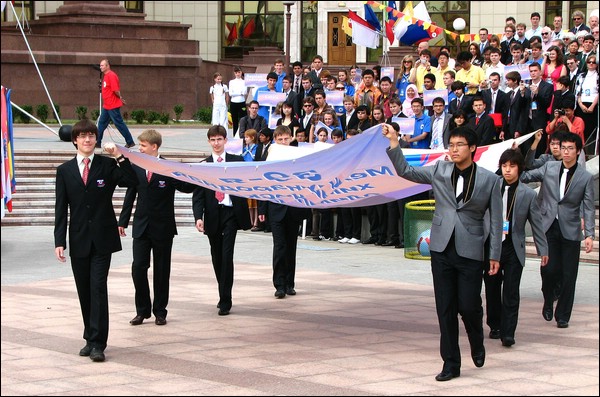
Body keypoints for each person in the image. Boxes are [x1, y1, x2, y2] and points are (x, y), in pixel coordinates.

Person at [384, 124, 502, 381]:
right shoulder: (439, 169)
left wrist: (494, 254)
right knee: (445, 307)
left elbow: (495, 220)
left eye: (460, 145)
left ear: (472, 148)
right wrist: (394, 142)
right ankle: (451, 363)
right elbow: (406, 171)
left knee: (469, 306)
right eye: (451, 145)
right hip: (440, 248)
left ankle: (476, 340)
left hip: (471, 250)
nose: (454, 149)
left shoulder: (490, 180)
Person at [54, 119, 137, 362]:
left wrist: (120, 156)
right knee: (84, 290)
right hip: (78, 239)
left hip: (103, 238)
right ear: (75, 140)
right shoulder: (65, 171)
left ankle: (99, 342)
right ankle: (89, 337)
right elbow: (61, 210)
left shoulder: (106, 165)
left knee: (98, 287)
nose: (88, 140)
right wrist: (60, 241)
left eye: (92, 135)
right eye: (83, 136)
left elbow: (131, 181)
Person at [118, 129, 195, 326]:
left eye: (143, 146)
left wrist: (199, 176)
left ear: (154, 147)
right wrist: (123, 221)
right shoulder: (136, 165)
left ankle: (160, 311)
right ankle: (142, 311)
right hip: (141, 227)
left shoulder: (167, 167)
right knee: (138, 268)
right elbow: (131, 193)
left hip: (163, 227)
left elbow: (186, 187)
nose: (140, 149)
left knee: (162, 271)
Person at [520, 132, 595, 329]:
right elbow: (527, 175)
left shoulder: (585, 177)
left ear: (578, 152)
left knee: (569, 274)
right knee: (549, 269)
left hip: (570, 228)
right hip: (548, 225)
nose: (567, 152)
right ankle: (548, 299)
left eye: (571, 149)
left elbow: (588, 206)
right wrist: (512, 164)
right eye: (564, 148)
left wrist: (589, 234)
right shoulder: (549, 167)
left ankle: (563, 315)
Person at [483, 149, 548, 348]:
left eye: (512, 166)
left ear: (519, 168)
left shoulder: (528, 194)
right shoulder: (492, 187)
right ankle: (495, 325)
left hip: (513, 246)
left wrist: (542, 248)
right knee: (492, 288)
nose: (508, 170)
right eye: (504, 166)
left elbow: (536, 222)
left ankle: (508, 332)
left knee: (511, 291)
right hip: (492, 245)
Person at [192, 125, 251, 316]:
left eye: (219, 139)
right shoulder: (204, 165)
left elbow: (246, 183)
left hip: (231, 213)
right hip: (212, 215)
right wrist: (198, 217)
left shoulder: (237, 161)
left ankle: (226, 299)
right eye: (213, 140)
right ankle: (222, 291)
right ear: (209, 142)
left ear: (226, 141)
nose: (216, 143)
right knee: (216, 257)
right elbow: (198, 195)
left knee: (227, 256)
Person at [258, 125, 311, 298]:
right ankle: (279, 284)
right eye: (279, 139)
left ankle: (290, 283)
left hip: (293, 208)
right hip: (276, 208)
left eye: (285, 139)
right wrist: (262, 208)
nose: (283, 142)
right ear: (275, 140)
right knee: (279, 247)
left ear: (291, 139)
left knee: (291, 247)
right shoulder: (270, 157)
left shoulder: (297, 156)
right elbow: (263, 184)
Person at [97, 58, 135, 149]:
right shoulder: (106, 76)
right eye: (100, 65)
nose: (100, 67)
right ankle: (97, 142)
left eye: (102, 65)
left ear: (107, 66)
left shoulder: (111, 75)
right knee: (101, 123)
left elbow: (116, 90)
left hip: (112, 105)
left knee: (119, 123)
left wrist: (120, 97)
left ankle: (130, 141)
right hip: (107, 105)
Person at [574, 54, 598, 154]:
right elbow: (577, 92)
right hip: (582, 105)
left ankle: (591, 152)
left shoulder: (598, 76)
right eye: (589, 62)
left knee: (592, 131)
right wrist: (580, 104)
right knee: (581, 130)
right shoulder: (581, 76)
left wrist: (592, 106)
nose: (591, 64)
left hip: (594, 105)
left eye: (593, 62)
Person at [229, 66, 248, 137]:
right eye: (236, 72)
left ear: (241, 72)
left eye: (239, 72)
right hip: (233, 103)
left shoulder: (244, 82)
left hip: (242, 102)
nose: (238, 74)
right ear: (234, 73)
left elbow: (244, 92)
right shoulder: (231, 82)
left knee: (243, 119)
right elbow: (231, 93)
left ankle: (243, 134)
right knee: (235, 120)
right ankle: (235, 135)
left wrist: (237, 93)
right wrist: (239, 93)